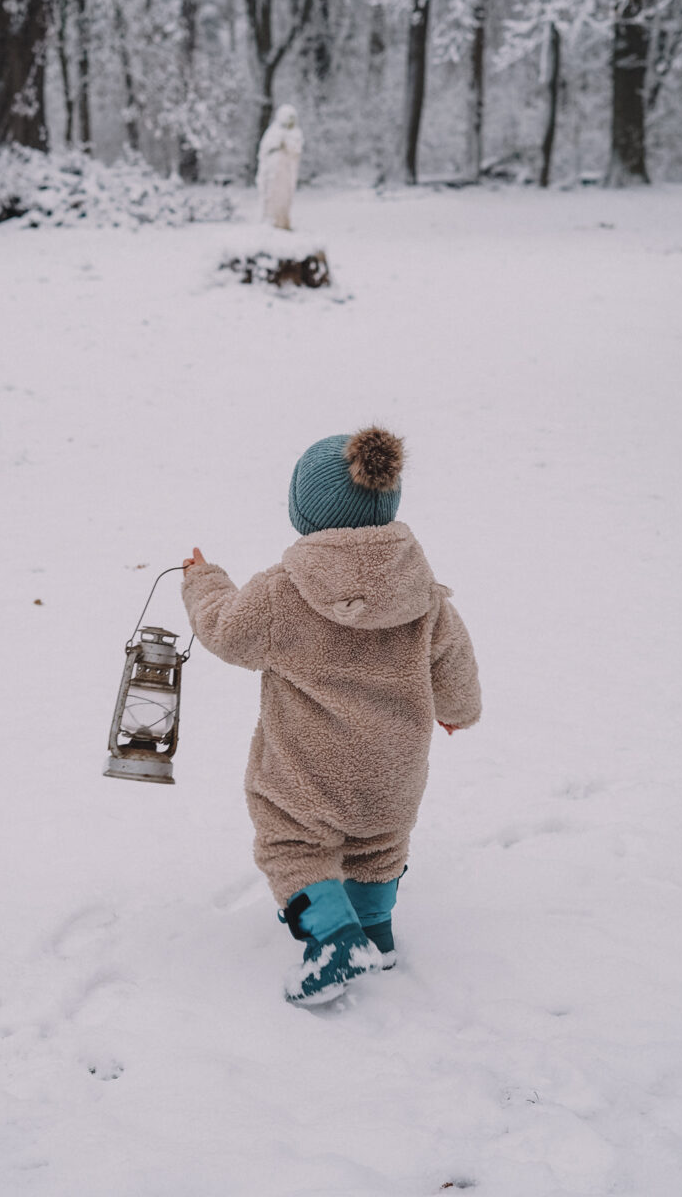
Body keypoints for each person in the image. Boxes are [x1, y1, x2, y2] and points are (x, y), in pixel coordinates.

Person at [182, 428, 481, 1006]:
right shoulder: (422, 594)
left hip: (308, 770)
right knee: (379, 848)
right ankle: (376, 934)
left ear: (307, 515)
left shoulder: (283, 594)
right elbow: (454, 659)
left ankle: (336, 940)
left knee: (292, 845)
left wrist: (204, 582)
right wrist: (458, 711)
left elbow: (225, 630)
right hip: (395, 770)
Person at [255, 104, 303, 231]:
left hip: (285, 173)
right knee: (272, 197)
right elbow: (264, 151)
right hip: (273, 173)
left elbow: (296, 151)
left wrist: (286, 143)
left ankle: (282, 221)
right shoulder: (273, 132)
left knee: (283, 197)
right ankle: (271, 220)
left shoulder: (295, 133)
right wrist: (277, 144)